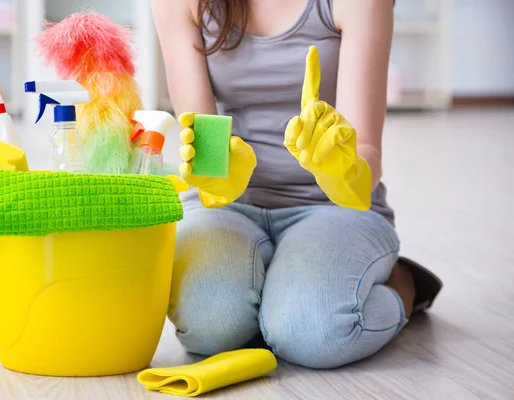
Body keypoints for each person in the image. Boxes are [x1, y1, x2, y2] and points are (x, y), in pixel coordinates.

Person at [151, 0, 442, 369]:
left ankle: (404, 285)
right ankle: (278, 285)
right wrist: (216, 175)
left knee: (312, 332)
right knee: (210, 329)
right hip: (229, 207)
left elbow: (367, 148)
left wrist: (344, 172)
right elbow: (204, 137)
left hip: (332, 208)